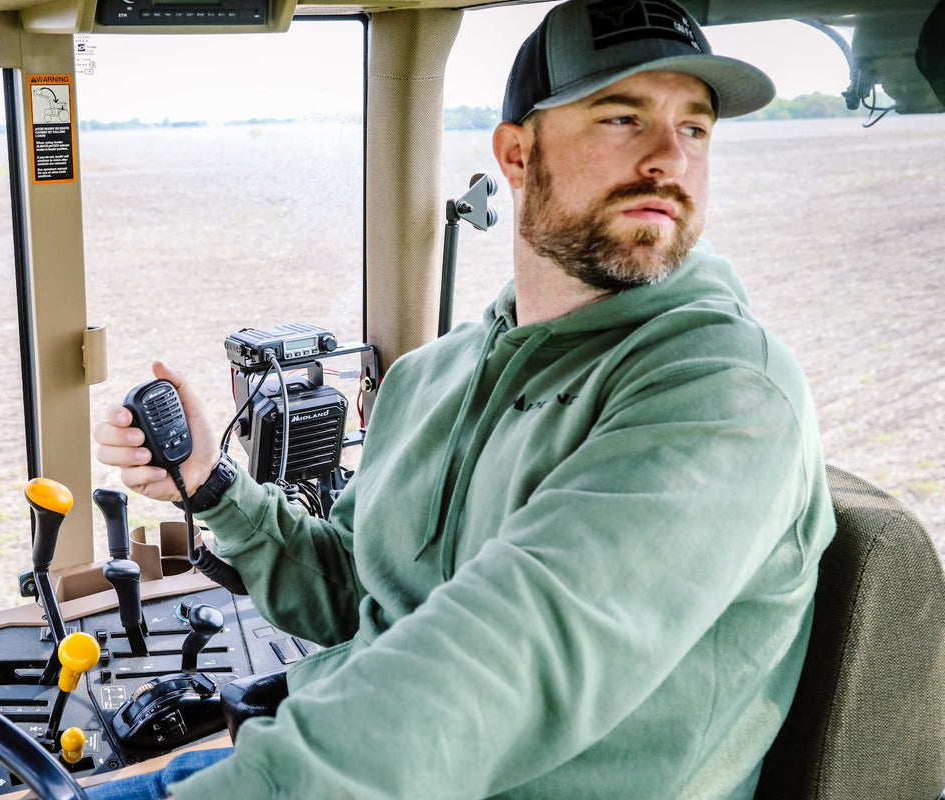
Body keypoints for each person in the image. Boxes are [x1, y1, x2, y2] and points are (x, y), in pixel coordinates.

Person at [90, 0, 836, 797]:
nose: (670, 160)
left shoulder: (721, 387)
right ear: (516, 155)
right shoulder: (430, 377)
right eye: (624, 118)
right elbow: (354, 591)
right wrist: (214, 488)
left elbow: (509, 654)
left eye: (695, 128)